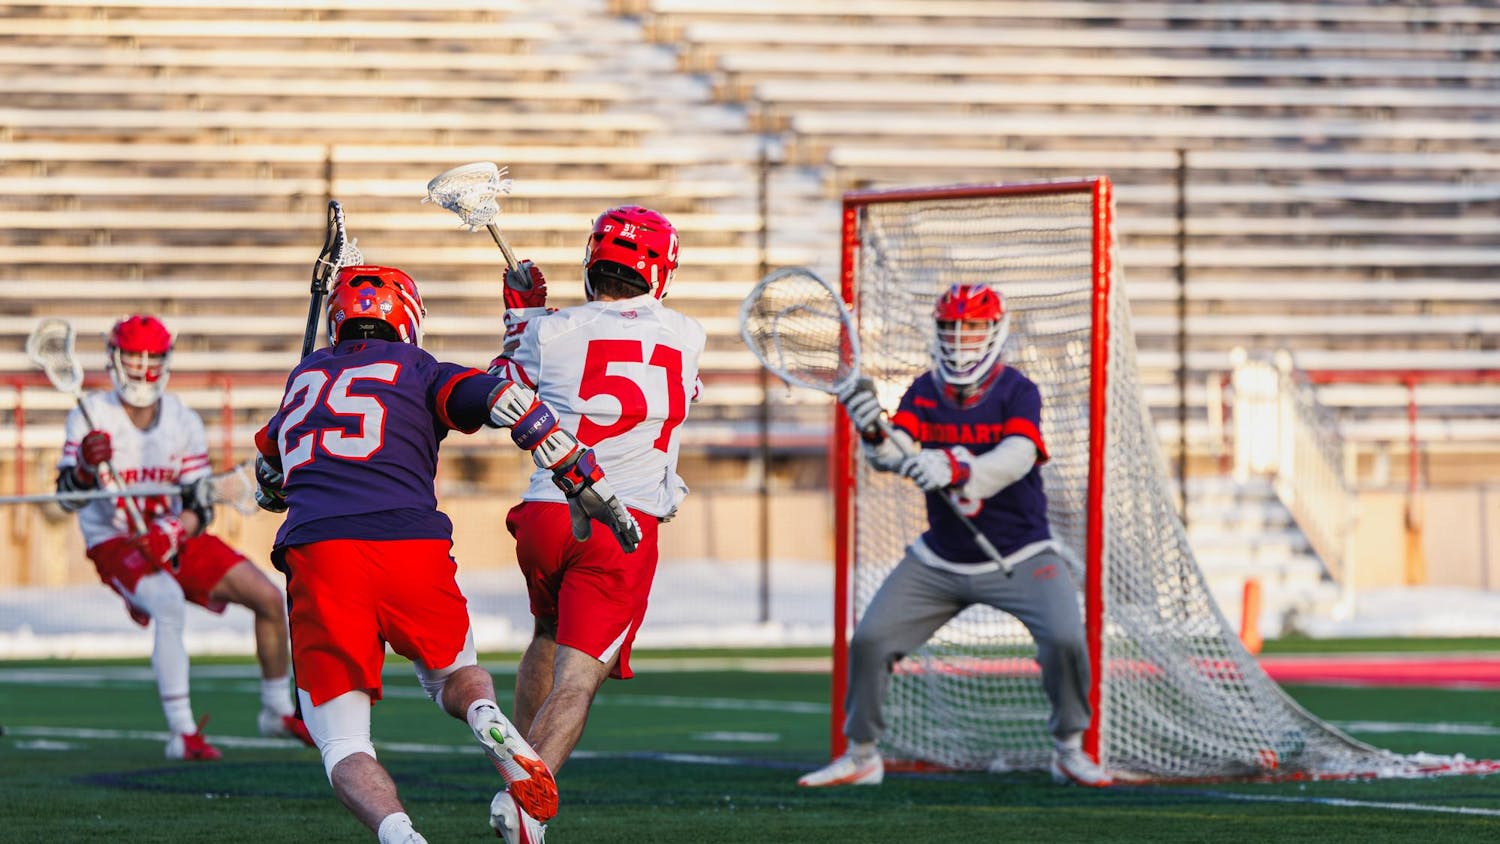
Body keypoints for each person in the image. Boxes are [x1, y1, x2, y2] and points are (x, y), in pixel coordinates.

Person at [252, 264, 640, 844]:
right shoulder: (419, 369)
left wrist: (276, 474)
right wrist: (571, 466)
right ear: (407, 317)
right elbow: (502, 397)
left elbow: (268, 484)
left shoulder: (302, 382)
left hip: (321, 554)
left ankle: (399, 833)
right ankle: (488, 720)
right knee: (456, 676)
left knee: (343, 741)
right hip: (410, 545)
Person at [798, 283, 1111, 789]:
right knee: (873, 639)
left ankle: (1069, 749)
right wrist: (873, 431)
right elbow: (894, 451)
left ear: (995, 331)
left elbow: (1018, 456)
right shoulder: (925, 389)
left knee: (1066, 639)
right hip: (941, 557)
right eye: (951, 327)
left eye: (973, 327)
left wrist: (952, 466)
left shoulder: (1018, 390)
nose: (961, 338)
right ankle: (862, 754)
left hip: (1021, 553)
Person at [487, 205, 705, 841]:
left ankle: (515, 771)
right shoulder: (688, 335)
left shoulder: (549, 330)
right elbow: (681, 396)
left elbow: (503, 394)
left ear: (592, 262)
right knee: (579, 680)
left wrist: (523, 319)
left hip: (546, 513)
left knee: (546, 634)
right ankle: (526, 802)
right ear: (660, 271)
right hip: (620, 522)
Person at [55, 315, 314, 760]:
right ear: (116, 359)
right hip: (114, 539)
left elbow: (199, 503)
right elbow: (66, 500)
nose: (141, 369)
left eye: (151, 358)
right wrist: (82, 467)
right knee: (168, 604)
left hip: (174, 534)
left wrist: (173, 531)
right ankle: (183, 732)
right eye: (133, 358)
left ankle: (275, 711)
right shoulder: (92, 414)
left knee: (269, 599)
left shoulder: (182, 419)